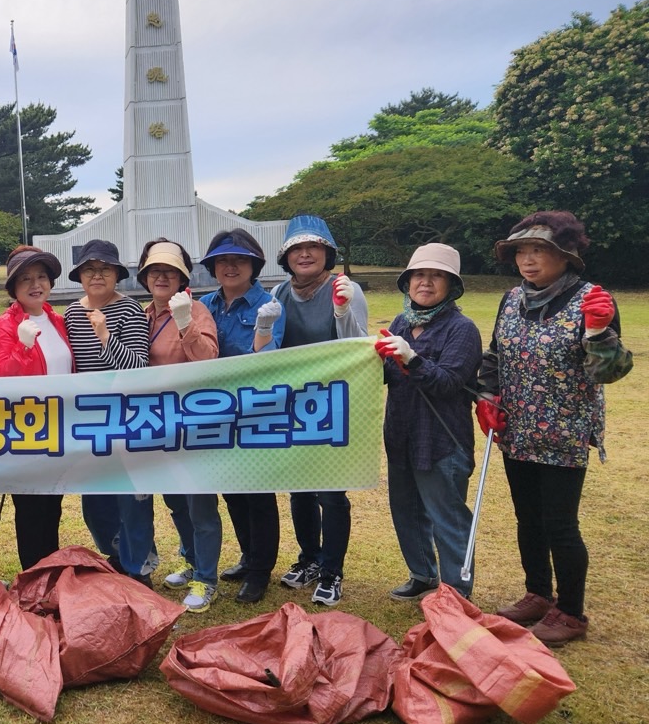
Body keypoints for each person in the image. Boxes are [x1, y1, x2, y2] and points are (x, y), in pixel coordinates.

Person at [478, 211, 633, 645]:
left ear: (565, 257)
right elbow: (495, 356)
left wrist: (601, 332)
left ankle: (571, 611)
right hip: (517, 428)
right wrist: (486, 398)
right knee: (527, 519)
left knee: (560, 524)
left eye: (540, 251)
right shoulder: (511, 299)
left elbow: (611, 371)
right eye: (522, 252)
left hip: (564, 432)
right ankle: (538, 594)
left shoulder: (591, 300)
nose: (528, 260)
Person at [374, 243, 481, 601]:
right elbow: (387, 374)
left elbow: (448, 382)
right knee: (405, 510)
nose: (426, 282)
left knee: (446, 517)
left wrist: (412, 358)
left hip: (440, 439)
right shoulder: (401, 323)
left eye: (437, 276)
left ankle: (456, 593)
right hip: (401, 434)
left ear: (451, 285)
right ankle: (422, 574)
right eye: (419, 274)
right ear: (408, 282)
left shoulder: (462, 329)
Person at [270, 214, 368, 607]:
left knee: (331, 491)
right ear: (287, 256)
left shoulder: (345, 288)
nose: (305, 253)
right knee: (299, 488)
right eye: (297, 248)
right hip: (293, 404)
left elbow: (358, 348)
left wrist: (343, 311)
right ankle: (309, 557)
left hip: (334, 403)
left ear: (327, 252)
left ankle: (332, 570)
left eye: (313, 247)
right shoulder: (278, 293)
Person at [196, 228, 284, 604]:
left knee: (259, 495)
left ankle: (261, 571)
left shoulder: (270, 304)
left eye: (239, 260)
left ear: (254, 266)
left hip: (255, 412)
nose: (230, 267)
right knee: (232, 492)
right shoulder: (203, 304)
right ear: (213, 267)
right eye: (223, 261)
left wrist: (262, 329)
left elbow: (271, 360)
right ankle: (248, 557)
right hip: (214, 414)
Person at [61, 239, 153, 583]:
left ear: (116, 274)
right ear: (80, 276)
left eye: (104, 269)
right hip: (89, 419)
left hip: (128, 417)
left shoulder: (130, 311)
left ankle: (139, 566)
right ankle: (115, 553)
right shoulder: (71, 312)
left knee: (133, 497)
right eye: (89, 269)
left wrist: (104, 335)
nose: (96, 275)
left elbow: (138, 367)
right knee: (96, 499)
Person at [137, 239, 220, 612]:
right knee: (174, 501)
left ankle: (207, 578)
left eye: (170, 272)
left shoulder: (197, 309)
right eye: (155, 271)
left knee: (200, 502)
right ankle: (190, 560)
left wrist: (185, 321)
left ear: (182, 278)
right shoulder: (144, 314)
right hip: (156, 423)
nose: (162, 277)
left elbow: (208, 358)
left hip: (193, 421)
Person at [0, 245, 74, 569]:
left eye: (41, 276)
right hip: (27, 434)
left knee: (52, 507)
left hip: (61, 432)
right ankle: (33, 580)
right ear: (13, 288)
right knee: (30, 510)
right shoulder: (6, 326)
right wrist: (24, 345)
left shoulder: (57, 321)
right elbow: (3, 379)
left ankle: (49, 575)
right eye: (26, 279)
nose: (35, 284)